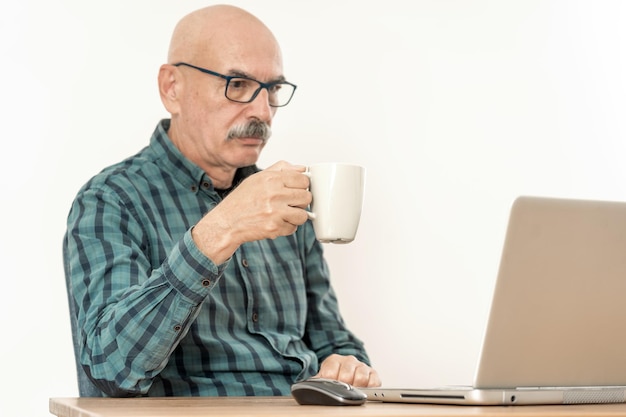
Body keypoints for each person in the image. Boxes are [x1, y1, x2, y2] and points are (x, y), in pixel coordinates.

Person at [63, 4, 380, 397]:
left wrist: (347, 365)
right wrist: (222, 229)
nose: (263, 112)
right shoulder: (111, 201)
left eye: (273, 89)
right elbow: (110, 367)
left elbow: (333, 341)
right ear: (172, 89)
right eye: (238, 85)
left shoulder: (289, 199)